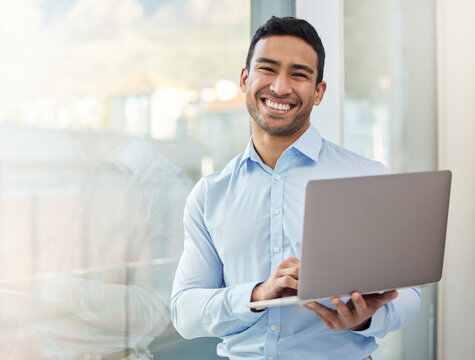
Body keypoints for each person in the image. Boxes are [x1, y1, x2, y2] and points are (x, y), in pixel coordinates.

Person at [170, 16, 421, 360]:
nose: (280, 87)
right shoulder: (210, 195)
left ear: (318, 92)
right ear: (245, 79)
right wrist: (257, 294)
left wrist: (366, 317)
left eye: (299, 74)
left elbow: (409, 295)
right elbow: (184, 312)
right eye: (268, 69)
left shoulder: (366, 176)